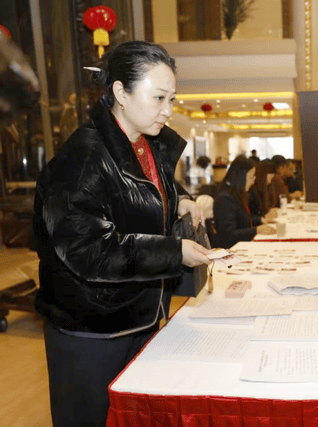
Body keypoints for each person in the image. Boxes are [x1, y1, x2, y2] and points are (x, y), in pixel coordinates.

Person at [32, 41, 213, 427]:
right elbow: (89, 250)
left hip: (139, 316)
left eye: (172, 99)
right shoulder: (84, 157)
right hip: (92, 328)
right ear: (120, 92)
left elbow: (140, 199)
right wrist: (174, 252)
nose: (168, 110)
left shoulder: (147, 145)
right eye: (158, 98)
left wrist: (180, 200)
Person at [213, 156, 276, 248]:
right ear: (240, 176)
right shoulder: (224, 199)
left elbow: (242, 220)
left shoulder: (237, 194)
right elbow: (228, 235)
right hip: (232, 249)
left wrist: (260, 220)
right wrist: (256, 230)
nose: (253, 182)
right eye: (251, 177)